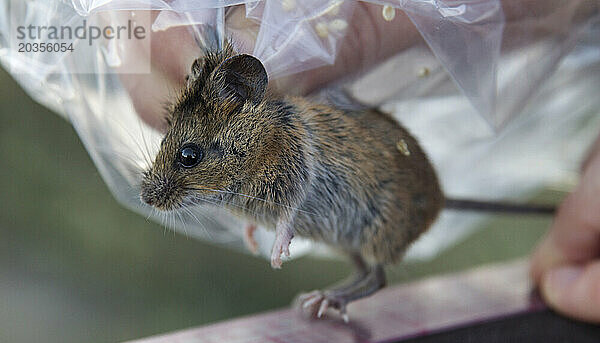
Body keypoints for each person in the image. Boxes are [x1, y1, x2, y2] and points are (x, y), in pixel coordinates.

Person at [124, 2, 600, 324]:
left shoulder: (279, 131)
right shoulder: (238, 164)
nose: (169, 177)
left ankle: (363, 280)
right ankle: (354, 279)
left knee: (369, 242)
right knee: (334, 232)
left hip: (392, 197)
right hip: (357, 196)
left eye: (187, 156)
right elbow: (241, 187)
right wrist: (254, 218)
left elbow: (302, 169)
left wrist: (284, 223)